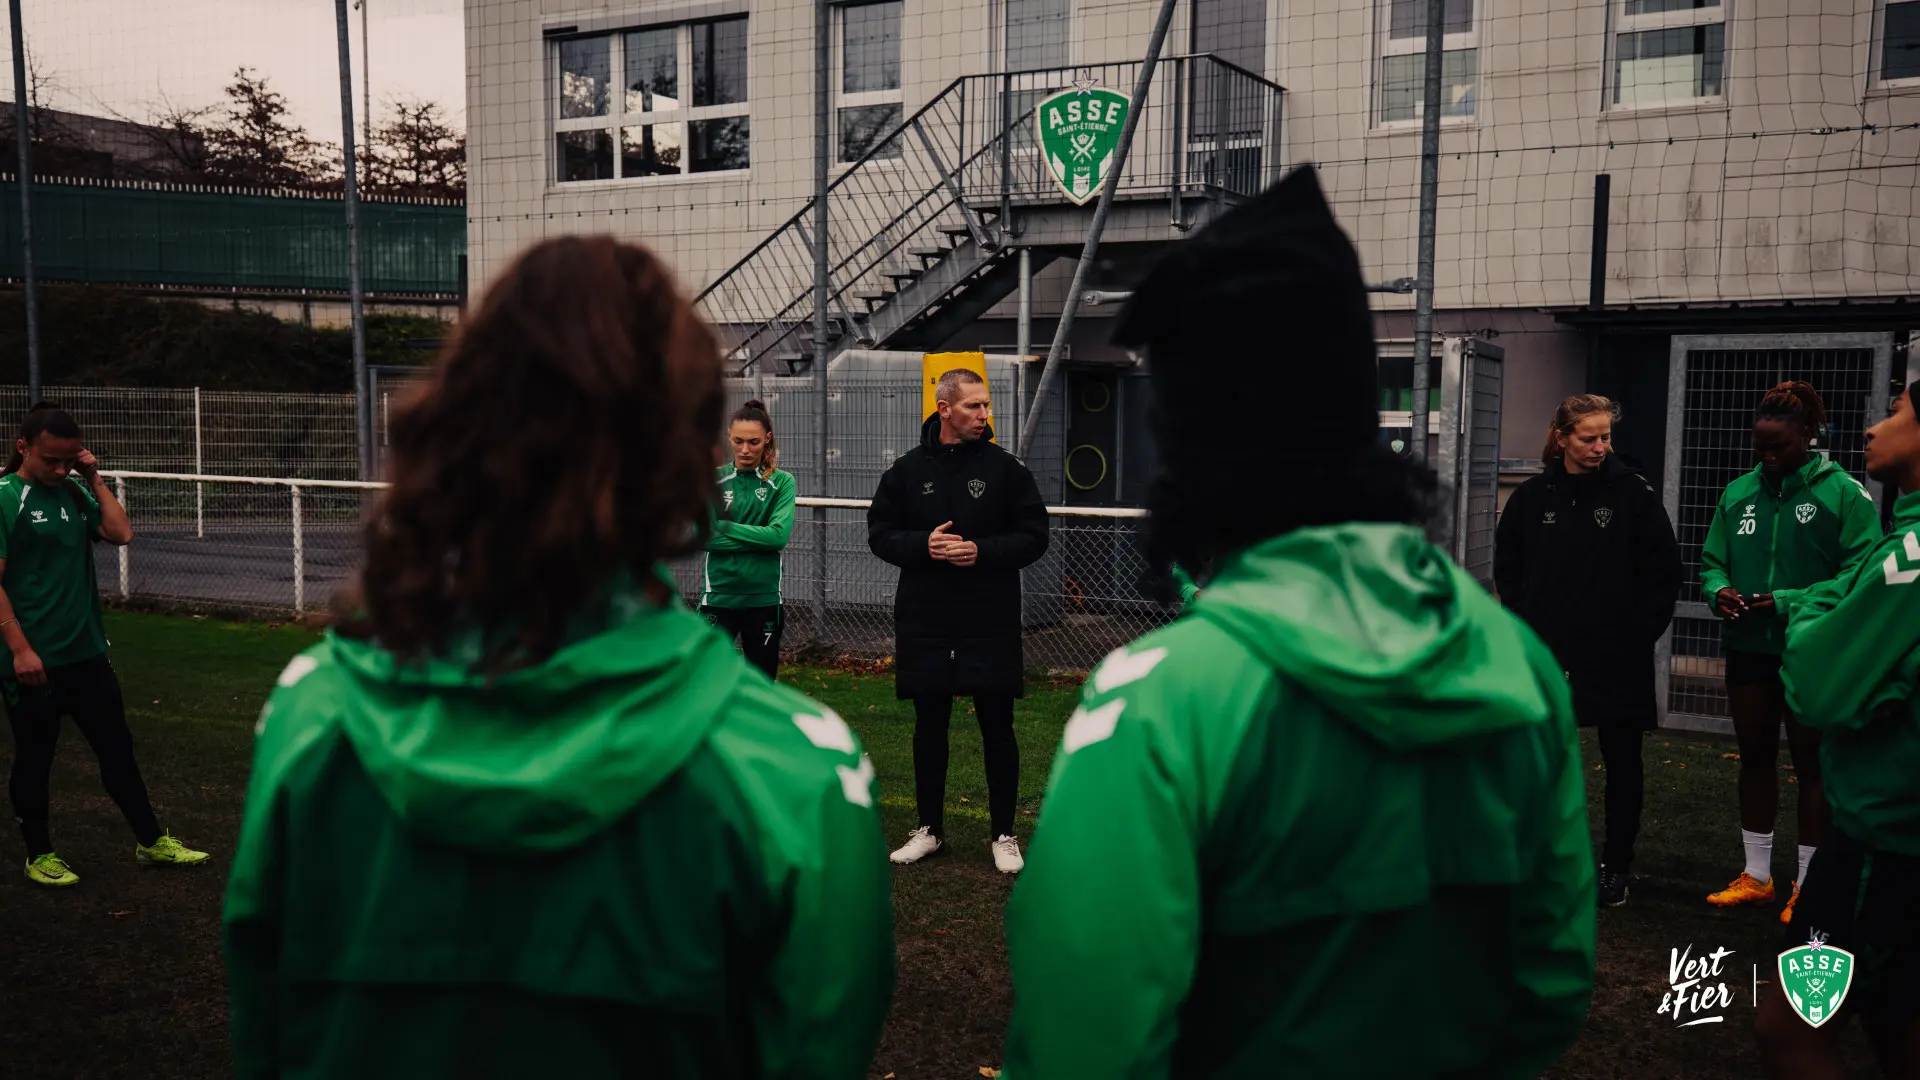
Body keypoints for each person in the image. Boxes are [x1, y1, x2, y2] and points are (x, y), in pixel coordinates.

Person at [222, 236, 893, 1078]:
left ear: (457, 423)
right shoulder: (796, 768)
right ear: (690, 455)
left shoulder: (310, 713)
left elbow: (265, 1032)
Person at [1002, 166, 1595, 1079]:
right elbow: (1550, 982)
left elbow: (1087, 1042)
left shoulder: (1161, 702)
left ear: (1191, 443)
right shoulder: (1517, 663)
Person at [1756, 384, 1920, 1079]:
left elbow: (1823, 687)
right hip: (1890, 832)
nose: (1875, 427)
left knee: (1789, 1025)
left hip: (1884, 839)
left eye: (1899, 411)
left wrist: (1806, 621)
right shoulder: (1902, 544)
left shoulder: (1911, 552)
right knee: (1896, 1018)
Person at [2, 403, 209, 887]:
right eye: (51, 460)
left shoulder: (73, 491)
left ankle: (151, 842)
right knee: (36, 756)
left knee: (118, 751)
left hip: (87, 654)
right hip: (33, 659)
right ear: (22, 447)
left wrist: (92, 477)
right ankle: (39, 855)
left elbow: (121, 532)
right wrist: (19, 650)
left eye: (69, 460)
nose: (60, 469)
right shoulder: (6, 497)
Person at [1699, 381, 1880, 922]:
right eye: (1761, 447)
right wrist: (1717, 591)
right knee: (1754, 755)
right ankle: (1757, 877)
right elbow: (1712, 561)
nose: (1768, 456)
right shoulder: (1737, 492)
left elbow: (1861, 573)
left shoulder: (1844, 494)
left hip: (1813, 649)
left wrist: (1788, 602)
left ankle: (1808, 884)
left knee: (1812, 765)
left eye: (1779, 446)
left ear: (1808, 436)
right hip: (1748, 648)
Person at [1495, 394, 1682, 908]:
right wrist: (1529, 631)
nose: (1600, 447)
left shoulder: (1633, 494)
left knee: (1622, 762)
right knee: (1542, 758)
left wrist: (1636, 634)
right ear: (1562, 439)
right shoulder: (1531, 498)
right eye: (1589, 437)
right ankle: (1541, 859)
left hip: (1617, 656)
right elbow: (1509, 571)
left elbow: (1663, 572)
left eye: (1606, 437)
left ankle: (1615, 867)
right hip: (1549, 656)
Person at [868, 368, 1049, 874]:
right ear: (944, 409)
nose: (984, 414)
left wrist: (982, 551)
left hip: (988, 619)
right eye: (973, 406)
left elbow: (1035, 536)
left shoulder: (1007, 470)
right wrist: (921, 545)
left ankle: (1004, 834)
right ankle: (928, 830)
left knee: (998, 726)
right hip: (926, 619)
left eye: (986, 405)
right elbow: (880, 533)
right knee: (929, 726)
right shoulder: (906, 471)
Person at [701, 398, 796, 679]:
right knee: (704, 680)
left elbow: (777, 537)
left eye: (753, 442)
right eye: (739, 441)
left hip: (763, 600)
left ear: (767, 439)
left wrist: (726, 527)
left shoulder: (783, 482)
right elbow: (703, 538)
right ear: (729, 436)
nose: (745, 449)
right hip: (718, 598)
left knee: (762, 683)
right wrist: (757, 535)